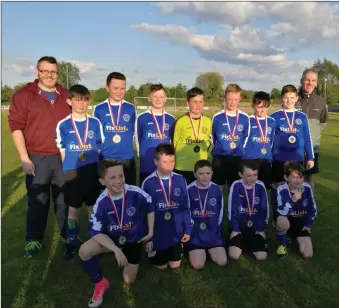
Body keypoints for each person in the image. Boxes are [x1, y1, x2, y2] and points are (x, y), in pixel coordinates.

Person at [8, 56, 71, 258]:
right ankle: (33, 240)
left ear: (57, 73)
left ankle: (67, 236)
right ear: (37, 72)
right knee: (38, 201)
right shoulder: (24, 96)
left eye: (53, 71)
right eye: (45, 71)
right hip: (37, 158)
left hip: (62, 157)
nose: (49, 75)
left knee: (64, 200)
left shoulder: (66, 95)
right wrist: (25, 159)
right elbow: (16, 128)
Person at [79, 159, 154, 308]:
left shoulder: (135, 193)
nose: (119, 181)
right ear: (102, 181)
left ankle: (132, 256)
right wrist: (114, 249)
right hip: (112, 241)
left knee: (128, 280)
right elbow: (95, 232)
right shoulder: (101, 202)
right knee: (84, 251)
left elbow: (151, 206)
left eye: (121, 176)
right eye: (112, 178)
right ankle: (100, 283)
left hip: (134, 240)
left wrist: (151, 233)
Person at [56, 84, 105, 259]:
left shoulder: (95, 123)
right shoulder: (63, 125)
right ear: (70, 101)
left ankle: (96, 240)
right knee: (73, 209)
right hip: (72, 173)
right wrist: (68, 172)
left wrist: (97, 172)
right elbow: (62, 151)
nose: (82, 103)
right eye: (77, 99)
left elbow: (99, 148)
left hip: (91, 172)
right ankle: (72, 240)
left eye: (85, 99)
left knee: (92, 208)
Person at [141, 143, 192, 269]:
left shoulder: (180, 179)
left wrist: (188, 229)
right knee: (162, 266)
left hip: (175, 232)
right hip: (157, 234)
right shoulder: (148, 183)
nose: (169, 165)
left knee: (175, 265)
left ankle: (177, 245)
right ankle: (153, 248)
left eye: (172, 161)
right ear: (155, 162)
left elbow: (186, 206)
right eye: (165, 161)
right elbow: (143, 213)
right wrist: (148, 238)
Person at [271, 85, 314, 223]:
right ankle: (277, 217)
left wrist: (311, 157)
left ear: (296, 98)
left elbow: (307, 138)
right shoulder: (275, 116)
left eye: (291, 97)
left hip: (297, 160)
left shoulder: (302, 116)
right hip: (279, 159)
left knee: (296, 189)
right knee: (278, 188)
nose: (288, 100)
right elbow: (270, 139)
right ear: (281, 99)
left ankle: (294, 218)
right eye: (285, 98)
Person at [93, 72, 137, 185]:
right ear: (107, 88)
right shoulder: (99, 109)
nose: (119, 91)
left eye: (122, 88)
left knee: (129, 194)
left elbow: (133, 131)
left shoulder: (131, 108)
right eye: (115, 88)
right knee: (108, 196)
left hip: (127, 159)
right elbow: (96, 135)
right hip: (107, 159)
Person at [186, 159, 227, 269]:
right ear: (195, 174)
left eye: (208, 173)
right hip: (196, 234)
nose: (205, 177)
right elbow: (185, 213)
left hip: (212, 233)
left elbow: (221, 212)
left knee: (222, 261)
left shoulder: (216, 189)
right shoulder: (189, 190)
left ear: (212, 173)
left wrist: (217, 231)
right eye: (201, 173)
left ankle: (210, 249)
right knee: (198, 265)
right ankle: (197, 251)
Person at [211, 84, 250, 192]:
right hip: (220, 157)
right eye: (229, 99)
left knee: (235, 188)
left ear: (240, 99)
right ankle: (218, 208)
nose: (232, 102)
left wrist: (239, 149)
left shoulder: (245, 117)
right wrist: (221, 147)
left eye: (235, 99)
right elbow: (212, 136)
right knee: (218, 188)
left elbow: (246, 137)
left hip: (237, 157)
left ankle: (234, 208)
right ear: (225, 98)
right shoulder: (217, 117)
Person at [228, 160, 269, 261]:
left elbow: (264, 209)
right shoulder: (236, 185)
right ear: (241, 174)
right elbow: (231, 209)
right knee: (233, 256)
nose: (253, 178)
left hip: (255, 227)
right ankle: (239, 242)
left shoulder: (260, 186)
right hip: (240, 227)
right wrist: (235, 229)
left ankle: (253, 244)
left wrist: (260, 229)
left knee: (261, 257)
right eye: (249, 175)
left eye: (255, 175)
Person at [136, 83, 175, 185]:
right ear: (149, 98)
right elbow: (137, 140)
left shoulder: (171, 119)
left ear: (165, 99)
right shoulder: (141, 117)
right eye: (155, 96)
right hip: (147, 163)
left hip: (165, 163)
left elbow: (172, 141)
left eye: (161, 97)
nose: (158, 99)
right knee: (146, 193)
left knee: (164, 192)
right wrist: (143, 157)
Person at [275, 162, 317, 259]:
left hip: (301, 223)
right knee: (281, 220)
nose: (297, 181)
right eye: (294, 177)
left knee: (308, 254)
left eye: (300, 177)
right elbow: (281, 211)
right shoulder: (282, 189)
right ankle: (282, 245)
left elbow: (313, 209)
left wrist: (308, 224)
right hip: (287, 221)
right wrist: (293, 200)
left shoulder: (306, 188)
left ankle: (295, 240)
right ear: (286, 178)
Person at [296, 68, 328, 190]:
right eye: (307, 80)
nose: (310, 83)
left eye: (313, 80)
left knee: (309, 179)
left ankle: (308, 206)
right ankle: (292, 206)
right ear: (301, 81)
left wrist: (312, 135)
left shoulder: (321, 101)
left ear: (316, 83)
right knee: (293, 177)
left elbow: (323, 122)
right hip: (294, 147)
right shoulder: (293, 98)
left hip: (313, 147)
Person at [173, 87, 212, 185]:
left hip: (201, 168)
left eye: (200, 101)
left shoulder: (208, 121)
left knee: (199, 197)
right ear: (187, 103)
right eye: (195, 102)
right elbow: (174, 144)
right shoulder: (180, 121)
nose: (198, 105)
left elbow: (208, 142)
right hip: (183, 166)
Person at [243, 91, 276, 190]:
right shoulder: (247, 120)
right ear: (253, 105)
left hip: (265, 160)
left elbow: (272, 141)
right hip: (250, 160)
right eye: (259, 107)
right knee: (249, 188)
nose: (262, 110)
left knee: (264, 189)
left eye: (265, 107)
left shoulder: (272, 121)